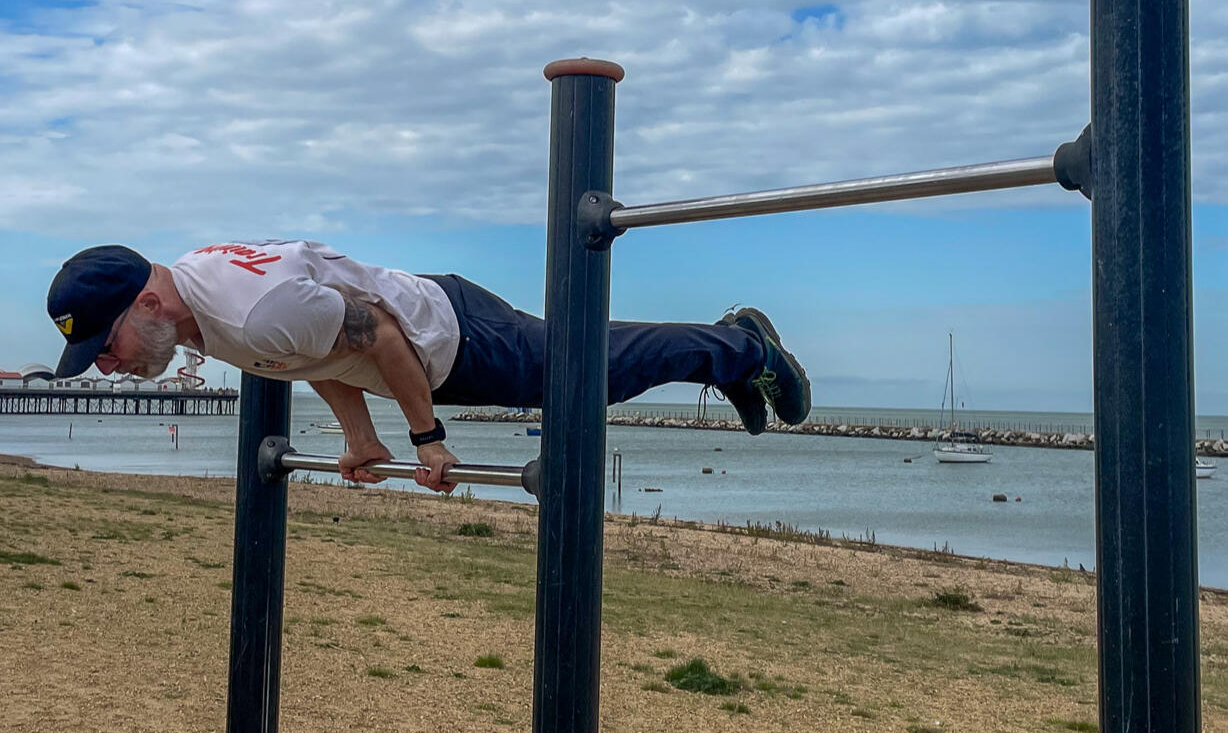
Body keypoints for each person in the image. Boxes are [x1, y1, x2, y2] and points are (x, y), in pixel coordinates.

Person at [47, 240, 811, 491]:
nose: (107, 368)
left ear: (146, 302)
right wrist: (360, 439)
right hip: (430, 338)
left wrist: (425, 438)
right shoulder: (202, 305)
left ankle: (744, 346)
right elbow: (309, 355)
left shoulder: (248, 309)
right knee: (595, 368)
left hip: (447, 335)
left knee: (591, 373)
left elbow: (373, 334)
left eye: (103, 347)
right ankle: (733, 356)